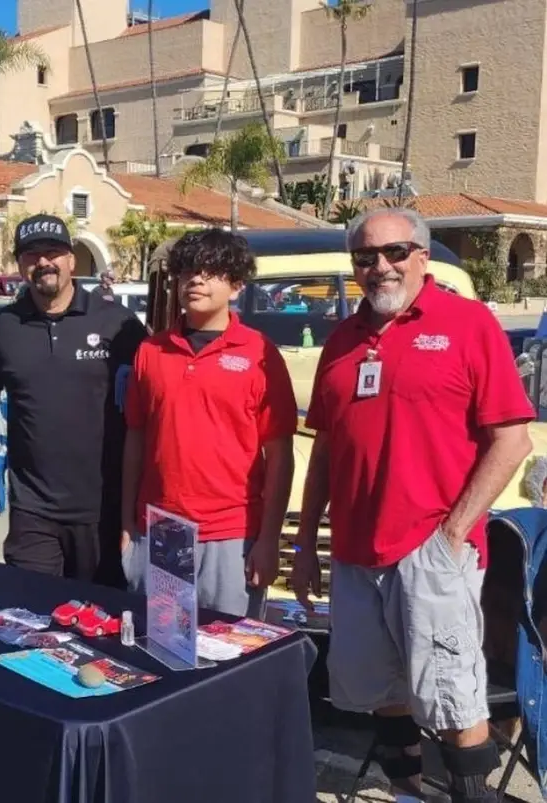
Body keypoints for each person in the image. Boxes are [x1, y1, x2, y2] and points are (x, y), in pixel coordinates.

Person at [293, 208, 534, 803]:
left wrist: (453, 533)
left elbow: (512, 440)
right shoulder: (344, 340)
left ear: (423, 256)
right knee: (383, 689)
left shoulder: (468, 323)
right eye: (366, 258)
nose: (380, 267)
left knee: (452, 693)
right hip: (354, 553)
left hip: (431, 551)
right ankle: (406, 791)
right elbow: (325, 449)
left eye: (395, 252)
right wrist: (303, 546)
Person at [0, 213, 148, 586]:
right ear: (20, 265)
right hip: (33, 509)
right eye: (32, 255)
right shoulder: (4, 328)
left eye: (53, 252)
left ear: (70, 259)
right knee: (30, 615)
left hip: (104, 508)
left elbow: (148, 408)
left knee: (101, 623)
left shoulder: (119, 324)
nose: (43, 262)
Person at [120, 230, 297, 617]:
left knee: (229, 657)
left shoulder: (260, 355)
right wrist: (128, 524)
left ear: (236, 286)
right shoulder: (150, 351)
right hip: (162, 528)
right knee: (164, 652)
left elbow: (280, 455)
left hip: (233, 535)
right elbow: (135, 438)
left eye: (209, 272)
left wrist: (269, 539)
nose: (195, 280)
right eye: (186, 273)